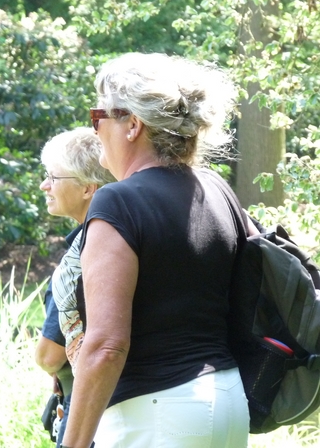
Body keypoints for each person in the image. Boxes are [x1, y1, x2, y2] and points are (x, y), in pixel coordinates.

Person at [61, 53, 258, 448]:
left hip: (155, 413)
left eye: (98, 116)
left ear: (133, 125)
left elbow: (107, 346)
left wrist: (73, 443)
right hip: (227, 401)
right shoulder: (216, 190)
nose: (95, 130)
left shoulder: (118, 202)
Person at [34, 127, 112, 447]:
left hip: (87, 408)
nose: (45, 185)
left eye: (53, 177)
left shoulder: (81, 256)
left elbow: (49, 356)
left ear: (87, 188)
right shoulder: (117, 237)